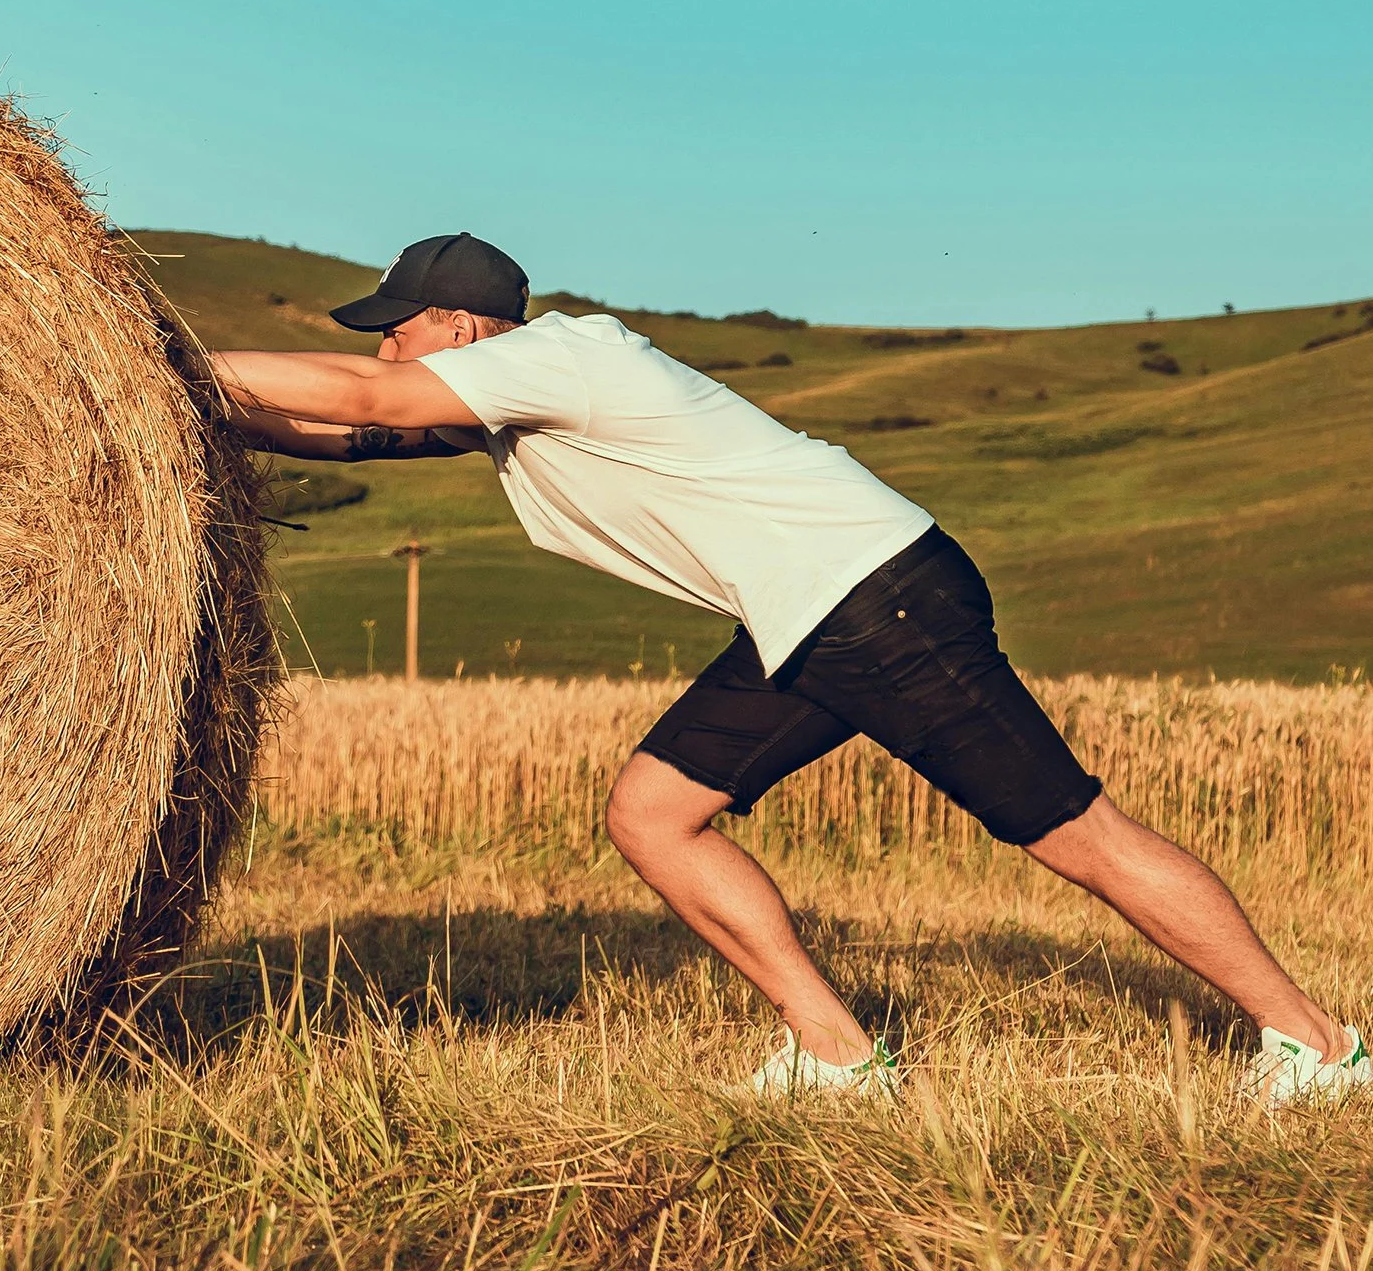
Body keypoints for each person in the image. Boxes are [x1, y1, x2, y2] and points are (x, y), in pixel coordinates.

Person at [209, 231, 1362, 1104]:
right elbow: (354, 431)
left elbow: (359, 397)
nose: (380, 345)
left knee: (1076, 834)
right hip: (806, 614)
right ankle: (838, 1057)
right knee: (654, 816)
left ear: (458, 329)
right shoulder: (522, 405)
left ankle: (1316, 1046)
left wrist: (148, 348)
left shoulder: (562, 360)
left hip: (875, 596)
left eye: (395, 327)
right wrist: (180, 404)